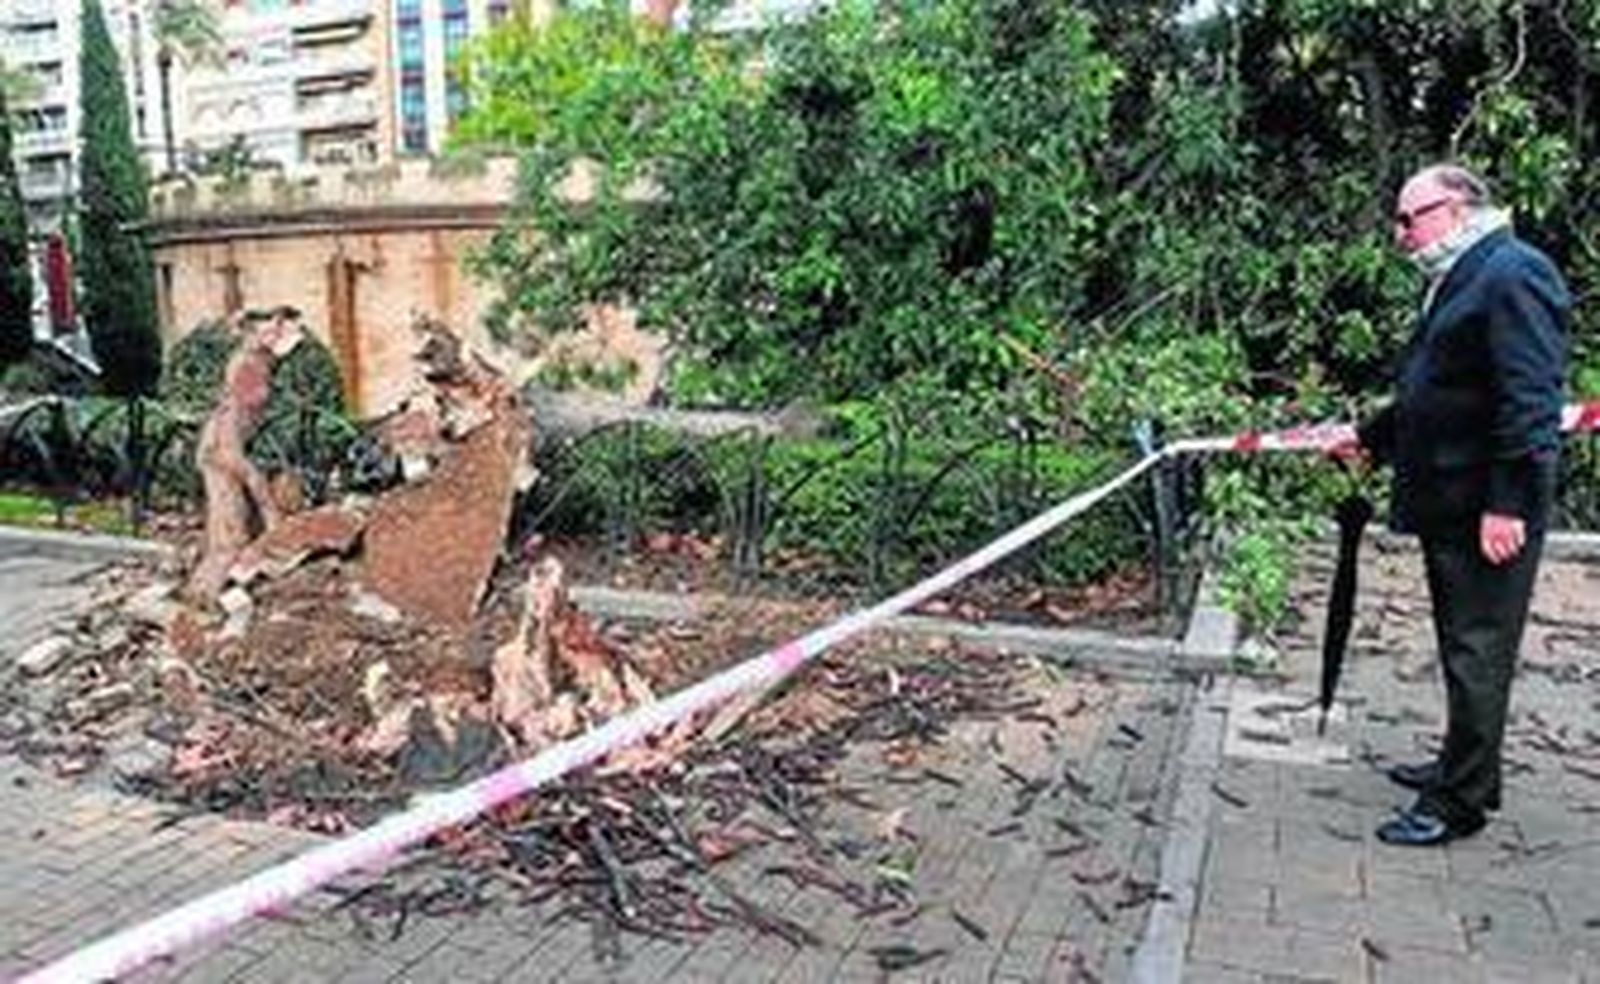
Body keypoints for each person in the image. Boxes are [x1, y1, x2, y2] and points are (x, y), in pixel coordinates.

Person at [1340, 164, 1570, 846]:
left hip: (1485, 505)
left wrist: (1508, 504)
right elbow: (1436, 388)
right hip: (1451, 496)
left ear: (1459, 207)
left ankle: (1460, 801)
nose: (1400, 233)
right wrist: (1367, 437)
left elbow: (1530, 402)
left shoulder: (1513, 273)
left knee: (1478, 650)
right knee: (1461, 644)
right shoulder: (1464, 273)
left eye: (1411, 219)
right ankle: (1459, 763)